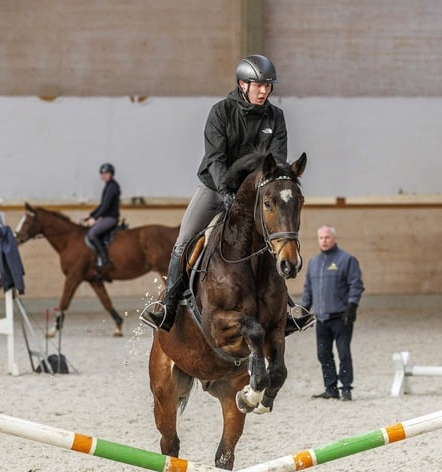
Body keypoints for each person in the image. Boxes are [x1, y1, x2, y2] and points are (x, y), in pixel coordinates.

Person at [142, 54, 313, 334]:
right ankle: (168, 306)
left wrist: (259, 192)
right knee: (184, 239)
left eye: (268, 86)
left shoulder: (276, 117)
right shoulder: (220, 112)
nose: (264, 91)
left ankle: (287, 309)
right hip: (215, 187)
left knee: (271, 240)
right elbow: (215, 158)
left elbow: (277, 161)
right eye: (258, 86)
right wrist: (227, 190)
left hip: (257, 194)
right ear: (242, 84)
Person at [301, 225, 364, 401]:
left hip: (341, 318)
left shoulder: (347, 260)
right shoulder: (314, 262)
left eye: (327, 237)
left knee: (343, 353)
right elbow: (308, 289)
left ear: (334, 238)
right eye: (321, 237)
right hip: (321, 319)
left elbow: (356, 285)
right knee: (323, 354)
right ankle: (330, 388)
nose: (324, 240)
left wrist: (352, 306)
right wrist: (304, 310)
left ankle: (345, 388)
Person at [83, 162, 121, 273]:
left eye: (106, 173)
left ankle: (105, 259)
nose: (104, 175)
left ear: (111, 174)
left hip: (111, 218)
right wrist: (91, 215)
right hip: (106, 216)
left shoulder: (112, 187)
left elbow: (105, 206)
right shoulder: (108, 186)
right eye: (102, 173)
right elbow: (101, 205)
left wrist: (95, 219)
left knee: (92, 233)